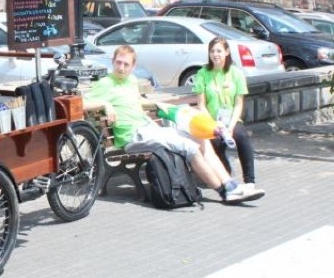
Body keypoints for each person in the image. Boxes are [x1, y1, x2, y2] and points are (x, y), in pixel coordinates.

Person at [83, 45, 265, 204]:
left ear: (133, 66)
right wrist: (105, 105)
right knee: (189, 147)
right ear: (113, 61)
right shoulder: (105, 84)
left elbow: (137, 101)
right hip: (134, 137)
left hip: (148, 128)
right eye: (118, 63)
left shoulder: (131, 81)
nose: (121, 68)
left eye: (126, 64)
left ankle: (230, 184)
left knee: (200, 139)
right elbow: (81, 103)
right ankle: (224, 193)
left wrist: (165, 106)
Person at [194, 37, 258, 189]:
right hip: (211, 121)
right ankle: (226, 175)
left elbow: (238, 104)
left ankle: (249, 181)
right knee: (215, 141)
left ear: (227, 52)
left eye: (219, 51)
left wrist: (230, 126)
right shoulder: (202, 73)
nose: (215, 54)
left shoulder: (236, 74)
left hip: (231, 120)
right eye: (212, 51)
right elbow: (201, 105)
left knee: (241, 136)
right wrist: (213, 124)